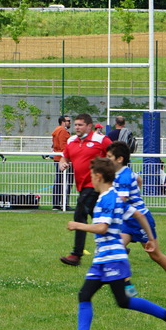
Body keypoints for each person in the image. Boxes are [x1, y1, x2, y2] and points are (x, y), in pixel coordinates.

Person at [55, 157, 166, 330]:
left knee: (123, 300)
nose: (91, 179)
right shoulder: (114, 196)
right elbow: (138, 214)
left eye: (92, 175)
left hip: (113, 258)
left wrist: (77, 225)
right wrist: (150, 238)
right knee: (85, 294)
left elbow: (102, 228)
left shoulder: (108, 197)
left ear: (99, 176)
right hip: (102, 258)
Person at [108, 141, 166, 305]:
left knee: (155, 255)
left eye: (109, 156)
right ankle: (128, 286)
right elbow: (139, 180)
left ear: (119, 159)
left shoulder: (123, 176)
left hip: (140, 220)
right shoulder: (123, 172)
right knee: (116, 249)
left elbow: (120, 201)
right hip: (127, 220)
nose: (106, 159)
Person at [58, 114, 112, 266]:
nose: (77, 127)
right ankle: (118, 241)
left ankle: (76, 255)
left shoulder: (101, 140)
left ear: (89, 126)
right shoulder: (71, 141)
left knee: (80, 212)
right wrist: (63, 163)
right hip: (81, 186)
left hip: (95, 185)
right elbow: (64, 157)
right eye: (76, 125)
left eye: (80, 125)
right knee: (98, 217)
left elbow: (115, 155)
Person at [50, 115, 71, 209]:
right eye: (68, 121)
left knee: (59, 181)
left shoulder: (57, 130)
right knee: (64, 181)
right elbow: (64, 146)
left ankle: (57, 203)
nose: (70, 122)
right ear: (63, 122)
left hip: (58, 158)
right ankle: (63, 204)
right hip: (63, 159)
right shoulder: (62, 131)